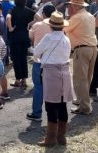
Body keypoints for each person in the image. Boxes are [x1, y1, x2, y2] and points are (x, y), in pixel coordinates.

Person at [33, 12, 73, 147]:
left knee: (51, 106)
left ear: (50, 26)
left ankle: (50, 138)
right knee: (62, 105)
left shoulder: (48, 38)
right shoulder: (66, 38)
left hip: (51, 72)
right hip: (65, 71)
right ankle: (61, 136)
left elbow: (36, 52)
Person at [64, 0, 98, 115]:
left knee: (80, 79)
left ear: (74, 6)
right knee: (86, 78)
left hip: (82, 49)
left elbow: (63, 28)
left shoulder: (77, 17)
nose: (70, 7)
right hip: (92, 48)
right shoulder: (89, 16)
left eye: (71, 5)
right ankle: (82, 101)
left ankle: (84, 106)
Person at [27, 4, 55, 122]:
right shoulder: (58, 26)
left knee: (38, 86)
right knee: (53, 87)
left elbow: (30, 36)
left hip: (39, 59)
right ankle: (53, 115)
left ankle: (37, 112)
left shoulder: (37, 25)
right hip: (53, 60)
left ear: (43, 14)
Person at [7, 0, 36, 88]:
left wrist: (10, 28)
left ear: (15, 0)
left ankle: (18, 80)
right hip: (25, 36)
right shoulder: (28, 10)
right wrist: (29, 24)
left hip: (15, 37)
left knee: (16, 59)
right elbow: (38, 17)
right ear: (25, 1)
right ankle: (24, 80)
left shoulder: (13, 9)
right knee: (23, 58)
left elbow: (8, 17)